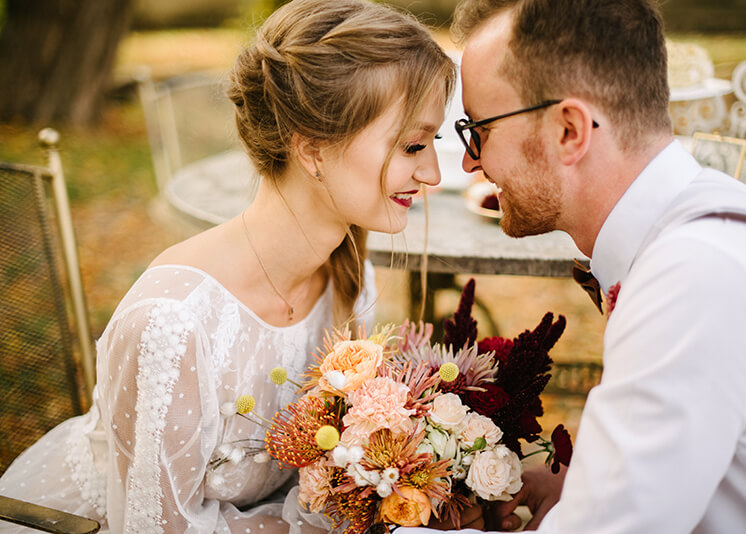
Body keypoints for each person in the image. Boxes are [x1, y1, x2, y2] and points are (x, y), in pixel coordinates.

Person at [0, 1, 461, 532]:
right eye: (411, 145)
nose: (430, 173)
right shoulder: (172, 324)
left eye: (432, 143)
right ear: (312, 150)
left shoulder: (349, 278)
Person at [397, 0, 746, 533]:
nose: (471, 162)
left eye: (480, 130)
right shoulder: (705, 230)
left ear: (570, 130)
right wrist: (582, 485)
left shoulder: (695, 281)